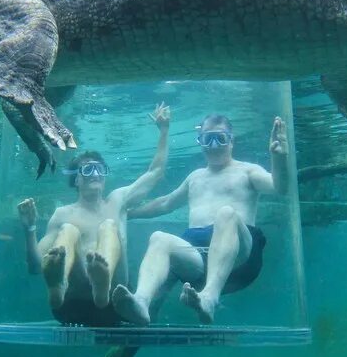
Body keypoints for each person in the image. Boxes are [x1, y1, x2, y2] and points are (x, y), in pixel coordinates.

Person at [112, 113, 288, 325]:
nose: (213, 145)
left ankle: (210, 298)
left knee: (226, 213)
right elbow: (165, 203)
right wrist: (128, 213)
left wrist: (279, 158)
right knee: (159, 238)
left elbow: (280, 187)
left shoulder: (248, 171)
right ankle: (141, 302)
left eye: (220, 138)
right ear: (200, 142)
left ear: (231, 141)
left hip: (240, 256)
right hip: (197, 261)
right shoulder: (195, 177)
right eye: (207, 139)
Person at [17, 103, 172, 326]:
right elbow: (35, 266)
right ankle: (58, 286)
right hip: (71, 304)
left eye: (100, 169)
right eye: (88, 170)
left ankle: (103, 284)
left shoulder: (118, 201)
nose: (96, 174)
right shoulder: (62, 214)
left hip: (114, 304)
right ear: (76, 180)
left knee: (109, 226)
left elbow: (155, 173)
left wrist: (164, 130)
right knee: (69, 230)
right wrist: (29, 228)